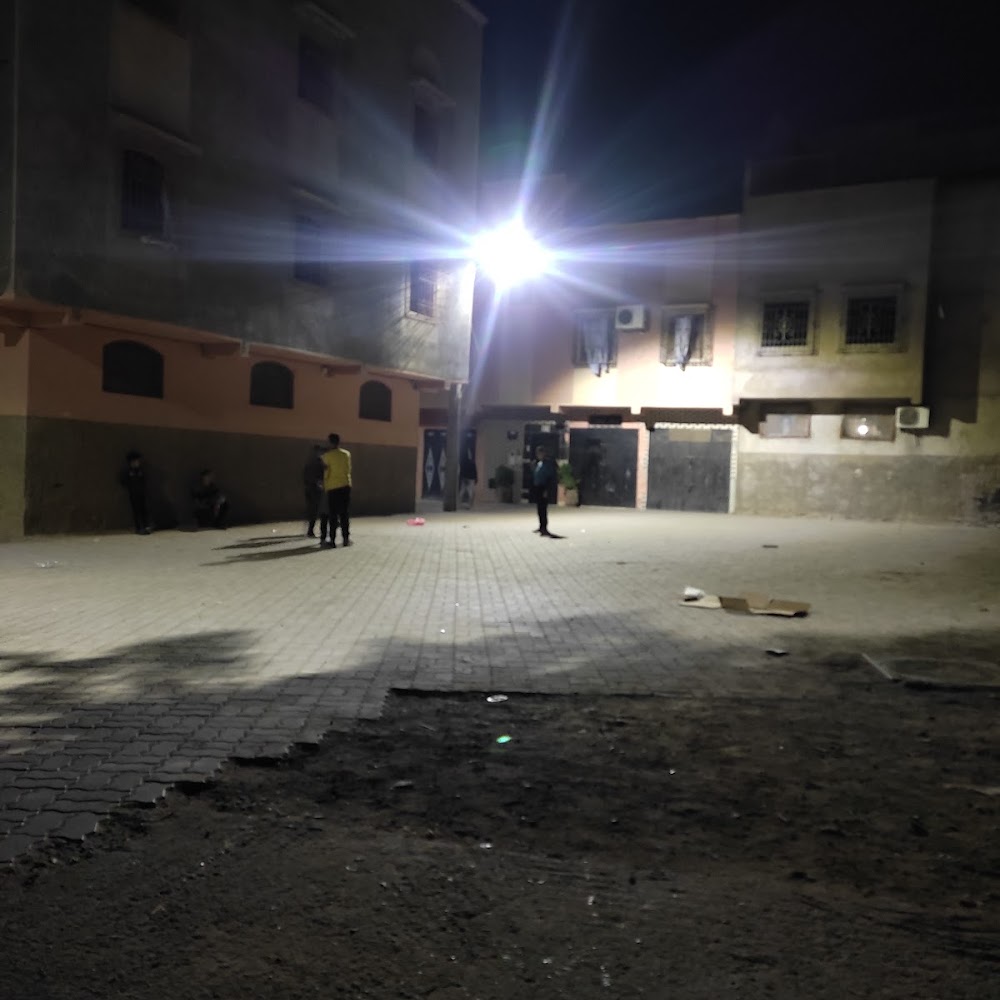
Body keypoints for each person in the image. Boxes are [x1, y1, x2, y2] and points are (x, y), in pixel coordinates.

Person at [320, 433, 352, 547]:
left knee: (333, 514)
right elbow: (348, 469)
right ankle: (346, 539)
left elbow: (326, 473)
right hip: (345, 485)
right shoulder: (346, 454)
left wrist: (324, 483)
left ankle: (332, 540)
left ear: (330, 442)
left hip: (332, 487)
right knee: (344, 513)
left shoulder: (326, 456)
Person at [120, 451, 151, 535]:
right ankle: (139, 528)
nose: (136, 463)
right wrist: (130, 488)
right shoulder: (128, 472)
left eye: (137, 461)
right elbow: (123, 482)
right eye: (134, 461)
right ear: (130, 463)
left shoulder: (141, 471)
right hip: (133, 494)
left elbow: (145, 481)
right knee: (136, 511)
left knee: (144, 510)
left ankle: (146, 526)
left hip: (142, 494)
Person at [531, 445, 559, 537]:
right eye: (538, 454)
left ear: (544, 453)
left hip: (544, 487)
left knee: (543, 508)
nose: (539, 455)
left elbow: (550, 477)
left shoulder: (548, 464)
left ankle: (544, 527)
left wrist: (547, 489)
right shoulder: (538, 463)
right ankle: (540, 526)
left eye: (540, 453)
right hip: (538, 487)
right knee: (539, 508)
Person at [303, 443, 325, 538]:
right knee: (316, 509)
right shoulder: (320, 463)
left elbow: (305, 476)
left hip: (309, 488)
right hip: (316, 489)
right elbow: (322, 476)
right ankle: (311, 530)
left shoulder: (309, 462)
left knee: (311, 509)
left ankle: (310, 530)